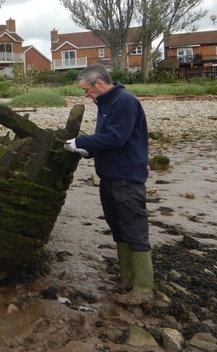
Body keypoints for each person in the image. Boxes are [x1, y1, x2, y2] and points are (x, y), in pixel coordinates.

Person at [63, 64, 153, 305]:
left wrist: (81, 140)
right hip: (110, 177)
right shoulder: (106, 104)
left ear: (99, 83)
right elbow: (109, 140)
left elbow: (117, 137)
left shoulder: (124, 101)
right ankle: (126, 279)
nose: (86, 95)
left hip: (127, 178)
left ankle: (143, 288)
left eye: (86, 90)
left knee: (134, 230)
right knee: (119, 229)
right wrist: (88, 150)